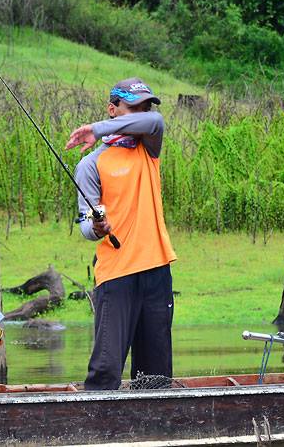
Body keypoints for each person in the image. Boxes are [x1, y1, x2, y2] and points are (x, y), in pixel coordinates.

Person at [65, 77, 177, 391]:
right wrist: (97, 226)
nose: (142, 113)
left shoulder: (149, 145)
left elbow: (155, 120)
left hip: (157, 271)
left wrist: (98, 128)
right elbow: (86, 225)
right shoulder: (90, 165)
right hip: (116, 277)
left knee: (155, 378)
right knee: (105, 370)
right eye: (133, 107)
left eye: (144, 106)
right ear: (112, 109)